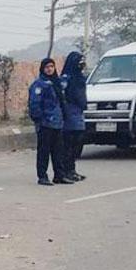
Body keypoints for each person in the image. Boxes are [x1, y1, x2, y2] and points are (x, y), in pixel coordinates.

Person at [28, 57, 72, 186]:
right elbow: (34, 104)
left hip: (57, 123)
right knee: (44, 151)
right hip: (45, 123)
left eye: (52, 66)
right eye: (47, 67)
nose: (50, 69)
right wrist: (40, 119)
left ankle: (59, 175)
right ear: (43, 68)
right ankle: (42, 176)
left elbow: (61, 102)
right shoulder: (39, 84)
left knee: (58, 151)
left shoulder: (56, 83)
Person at [60, 51, 88, 181]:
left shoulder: (80, 77)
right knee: (69, 144)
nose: (81, 64)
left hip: (79, 113)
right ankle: (66, 170)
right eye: (79, 62)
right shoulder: (66, 78)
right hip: (69, 114)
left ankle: (72, 169)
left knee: (77, 143)